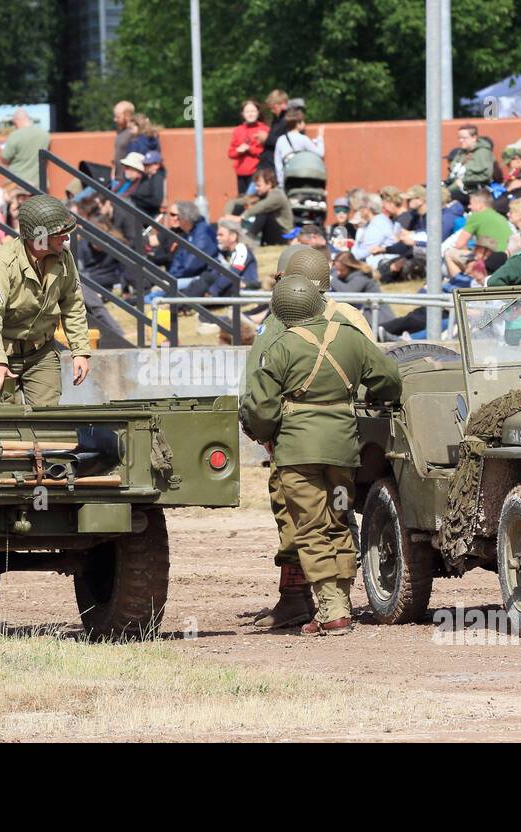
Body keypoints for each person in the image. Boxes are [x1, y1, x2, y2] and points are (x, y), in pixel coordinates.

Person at [240, 275, 401, 636]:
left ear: (281, 310)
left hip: (298, 458)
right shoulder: (350, 337)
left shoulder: (279, 347)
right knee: (339, 517)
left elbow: (260, 408)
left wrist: (266, 436)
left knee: (311, 526)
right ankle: (340, 601)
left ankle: (332, 610)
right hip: (344, 454)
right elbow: (389, 380)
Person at [0, 195, 90, 406]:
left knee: (46, 422)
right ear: (39, 237)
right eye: (60, 233)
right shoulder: (2, 263)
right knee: (5, 425)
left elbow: (73, 304)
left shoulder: (64, 258)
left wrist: (80, 351)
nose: (66, 238)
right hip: (4, 354)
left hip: (41, 353)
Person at [447, 189, 513, 277]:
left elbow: (459, 244)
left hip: (488, 259)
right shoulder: (501, 217)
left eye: (471, 203)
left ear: (480, 205)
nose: (469, 206)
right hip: (505, 259)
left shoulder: (476, 216)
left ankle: (461, 283)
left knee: (449, 253)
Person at [226, 168, 294, 246]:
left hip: (284, 234)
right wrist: (227, 215)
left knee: (263, 213)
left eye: (258, 186)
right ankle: (231, 236)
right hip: (269, 233)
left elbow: (263, 206)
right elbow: (233, 202)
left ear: (269, 184)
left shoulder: (277, 194)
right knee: (239, 207)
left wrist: (242, 217)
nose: (256, 188)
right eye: (255, 186)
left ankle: (248, 240)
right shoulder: (260, 194)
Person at [166, 202, 219, 288]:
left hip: (201, 277)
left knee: (163, 289)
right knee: (159, 288)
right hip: (185, 276)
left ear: (185, 219)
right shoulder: (188, 233)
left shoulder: (203, 232)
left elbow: (194, 263)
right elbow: (179, 258)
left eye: (178, 217)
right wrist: (172, 275)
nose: (176, 220)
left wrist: (173, 277)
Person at [273, 108, 325, 188]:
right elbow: (320, 153)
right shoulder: (303, 139)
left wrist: (281, 183)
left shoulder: (280, 140)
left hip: (287, 178)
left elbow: (278, 164)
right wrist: (320, 137)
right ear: (298, 124)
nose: (304, 124)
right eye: (303, 121)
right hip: (301, 177)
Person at [1, 107, 52, 187]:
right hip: (39, 184)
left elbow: (4, 159)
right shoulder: (45, 135)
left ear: (16, 121)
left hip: (17, 184)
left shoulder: (14, 136)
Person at [228, 99, 270, 194]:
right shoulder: (238, 130)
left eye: (253, 111)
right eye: (247, 111)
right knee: (242, 199)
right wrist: (239, 151)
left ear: (258, 113)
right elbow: (230, 153)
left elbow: (265, 151)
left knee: (252, 198)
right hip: (241, 172)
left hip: (256, 171)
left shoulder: (264, 129)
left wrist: (249, 149)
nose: (250, 114)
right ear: (242, 114)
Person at [449, 125, 495, 192]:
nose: (461, 140)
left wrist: (464, 179)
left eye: (464, 138)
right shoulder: (461, 152)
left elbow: (486, 175)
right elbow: (453, 167)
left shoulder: (483, 152)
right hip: (456, 186)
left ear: (474, 138)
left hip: (475, 191)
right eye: (459, 138)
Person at [259, 90, 291, 177]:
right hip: (267, 164)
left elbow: (287, 143)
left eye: (275, 107)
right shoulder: (277, 120)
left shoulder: (289, 120)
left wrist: (267, 138)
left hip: (276, 168)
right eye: (271, 108)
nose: (272, 111)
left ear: (284, 104)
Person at [112, 100, 137, 177]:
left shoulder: (134, 132)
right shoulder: (120, 131)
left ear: (127, 116)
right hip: (118, 176)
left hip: (127, 178)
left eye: (118, 117)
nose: (115, 119)